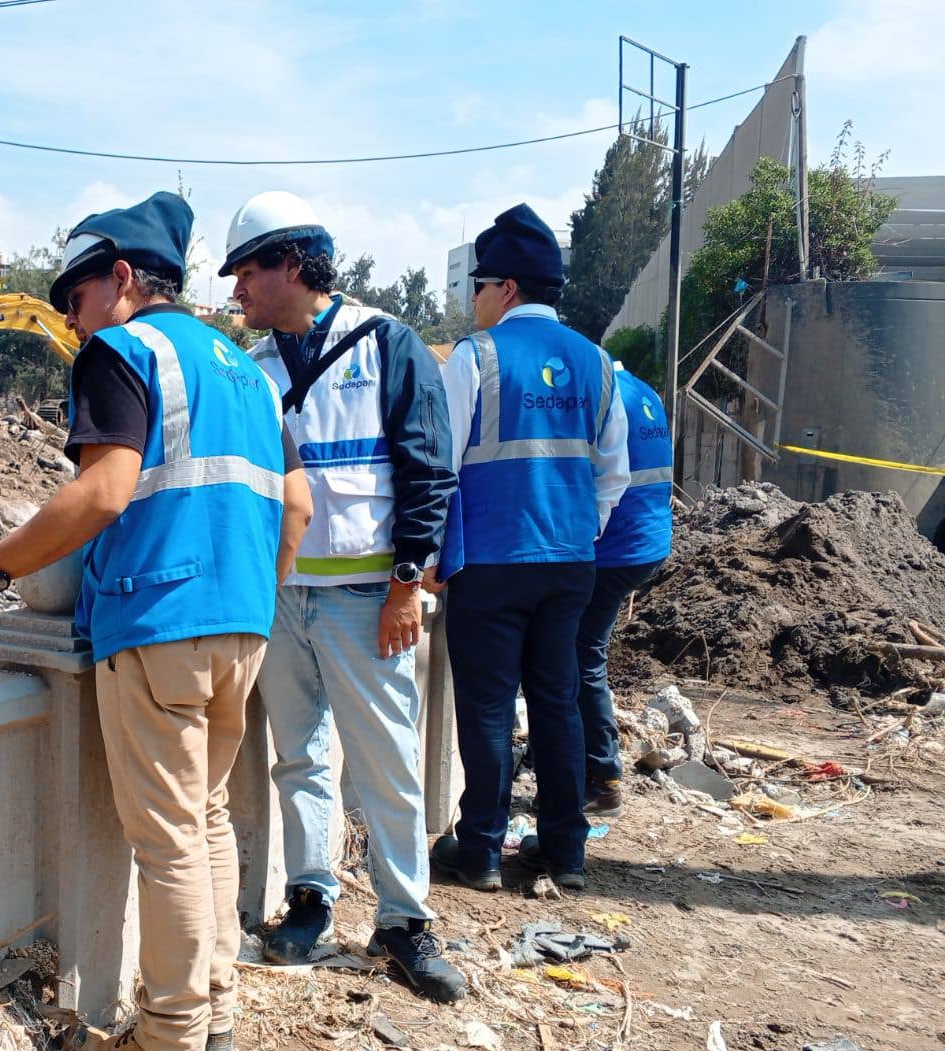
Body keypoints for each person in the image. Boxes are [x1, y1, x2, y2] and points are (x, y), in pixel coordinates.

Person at [0, 191, 311, 1051]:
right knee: (204, 820)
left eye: (74, 293)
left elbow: (103, 492)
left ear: (122, 278)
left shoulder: (124, 351)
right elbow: (297, 509)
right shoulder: (245, 372)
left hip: (159, 620)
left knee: (166, 840)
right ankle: (215, 1023)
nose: (70, 315)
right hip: (243, 624)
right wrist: (250, 595)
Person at [221, 191, 465, 1003]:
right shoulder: (254, 371)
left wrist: (405, 588)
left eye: (246, 271)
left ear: (291, 263)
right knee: (300, 756)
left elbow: (429, 472)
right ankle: (310, 896)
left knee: (387, 760)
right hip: (284, 603)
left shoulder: (387, 345)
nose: (236, 292)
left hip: (369, 600)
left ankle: (404, 922)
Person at [431, 204, 629, 894]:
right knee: (557, 700)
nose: (473, 299)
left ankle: (482, 849)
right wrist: (579, 533)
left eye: (478, 286)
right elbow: (614, 474)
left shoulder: (475, 358)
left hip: (489, 562)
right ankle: (564, 850)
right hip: (571, 562)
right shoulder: (597, 363)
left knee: (487, 708)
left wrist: (426, 558)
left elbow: (439, 466)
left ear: (507, 287)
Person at [576, 365, 672, 818]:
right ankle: (570, 755)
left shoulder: (604, 394)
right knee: (579, 652)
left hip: (615, 548)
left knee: (581, 656)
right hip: (647, 543)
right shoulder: (643, 388)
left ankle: (603, 778)